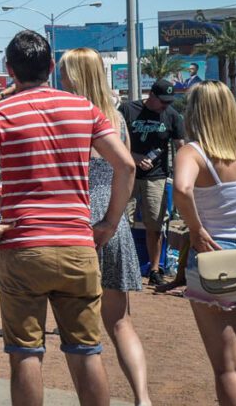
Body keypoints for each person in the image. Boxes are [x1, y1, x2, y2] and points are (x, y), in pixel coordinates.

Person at [0, 31, 136, 406]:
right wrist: (108, 222)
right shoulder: (83, 108)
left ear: (9, 70)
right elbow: (125, 165)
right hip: (77, 244)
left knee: (25, 351)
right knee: (85, 349)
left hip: (23, 246)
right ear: (50, 68)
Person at [60, 49, 151, 406]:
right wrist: (115, 218)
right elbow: (124, 168)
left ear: (76, 76)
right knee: (120, 322)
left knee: (78, 327)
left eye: (66, 72)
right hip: (113, 220)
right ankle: (142, 398)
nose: (61, 79)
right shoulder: (116, 118)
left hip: (80, 219)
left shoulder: (70, 115)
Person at [173, 80, 236, 405]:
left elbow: (183, 189)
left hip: (216, 261)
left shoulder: (194, 152)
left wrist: (196, 229)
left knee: (227, 367)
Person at [120, 79, 185, 286]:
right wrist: (135, 156)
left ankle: (155, 269)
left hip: (156, 176)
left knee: (155, 225)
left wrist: (182, 175)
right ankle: (124, 266)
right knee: (121, 222)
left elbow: (180, 147)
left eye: (169, 101)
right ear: (152, 96)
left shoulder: (173, 116)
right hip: (128, 173)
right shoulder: (128, 109)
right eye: (163, 101)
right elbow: (114, 141)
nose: (166, 105)